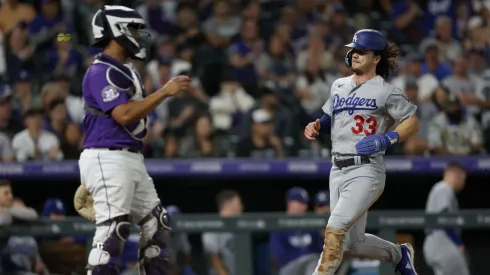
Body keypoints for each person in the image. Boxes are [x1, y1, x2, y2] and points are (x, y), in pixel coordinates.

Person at [77, 5, 190, 275]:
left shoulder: (126, 71)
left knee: (156, 223)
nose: (138, 36)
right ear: (116, 31)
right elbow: (124, 115)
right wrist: (164, 91)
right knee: (114, 228)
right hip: (108, 155)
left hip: (129, 158)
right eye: (132, 29)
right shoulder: (100, 71)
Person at [303, 29, 420, 275]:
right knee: (353, 243)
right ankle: (400, 255)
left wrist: (388, 139)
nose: (354, 55)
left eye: (362, 51)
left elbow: (412, 120)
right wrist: (317, 125)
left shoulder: (385, 90)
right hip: (337, 168)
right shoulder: (339, 85)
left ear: (376, 58)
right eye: (353, 50)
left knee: (334, 229)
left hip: (366, 169)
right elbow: (331, 116)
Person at [423, 161, 470, 275]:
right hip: (442, 242)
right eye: (463, 179)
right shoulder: (444, 189)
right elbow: (444, 218)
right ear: (456, 175)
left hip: (435, 242)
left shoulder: (439, 189)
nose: (463, 183)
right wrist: (458, 243)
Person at [269, 187, 323, 275]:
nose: (304, 207)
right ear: (290, 203)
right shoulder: (279, 225)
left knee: (316, 262)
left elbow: (320, 250)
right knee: (312, 261)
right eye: (300, 203)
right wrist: (304, 257)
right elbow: (280, 257)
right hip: (288, 269)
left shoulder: (311, 225)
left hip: (311, 265)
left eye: (305, 204)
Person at [202, 190, 243, 275]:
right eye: (238, 204)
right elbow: (212, 257)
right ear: (230, 204)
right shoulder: (213, 226)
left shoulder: (239, 226)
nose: (241, 207)